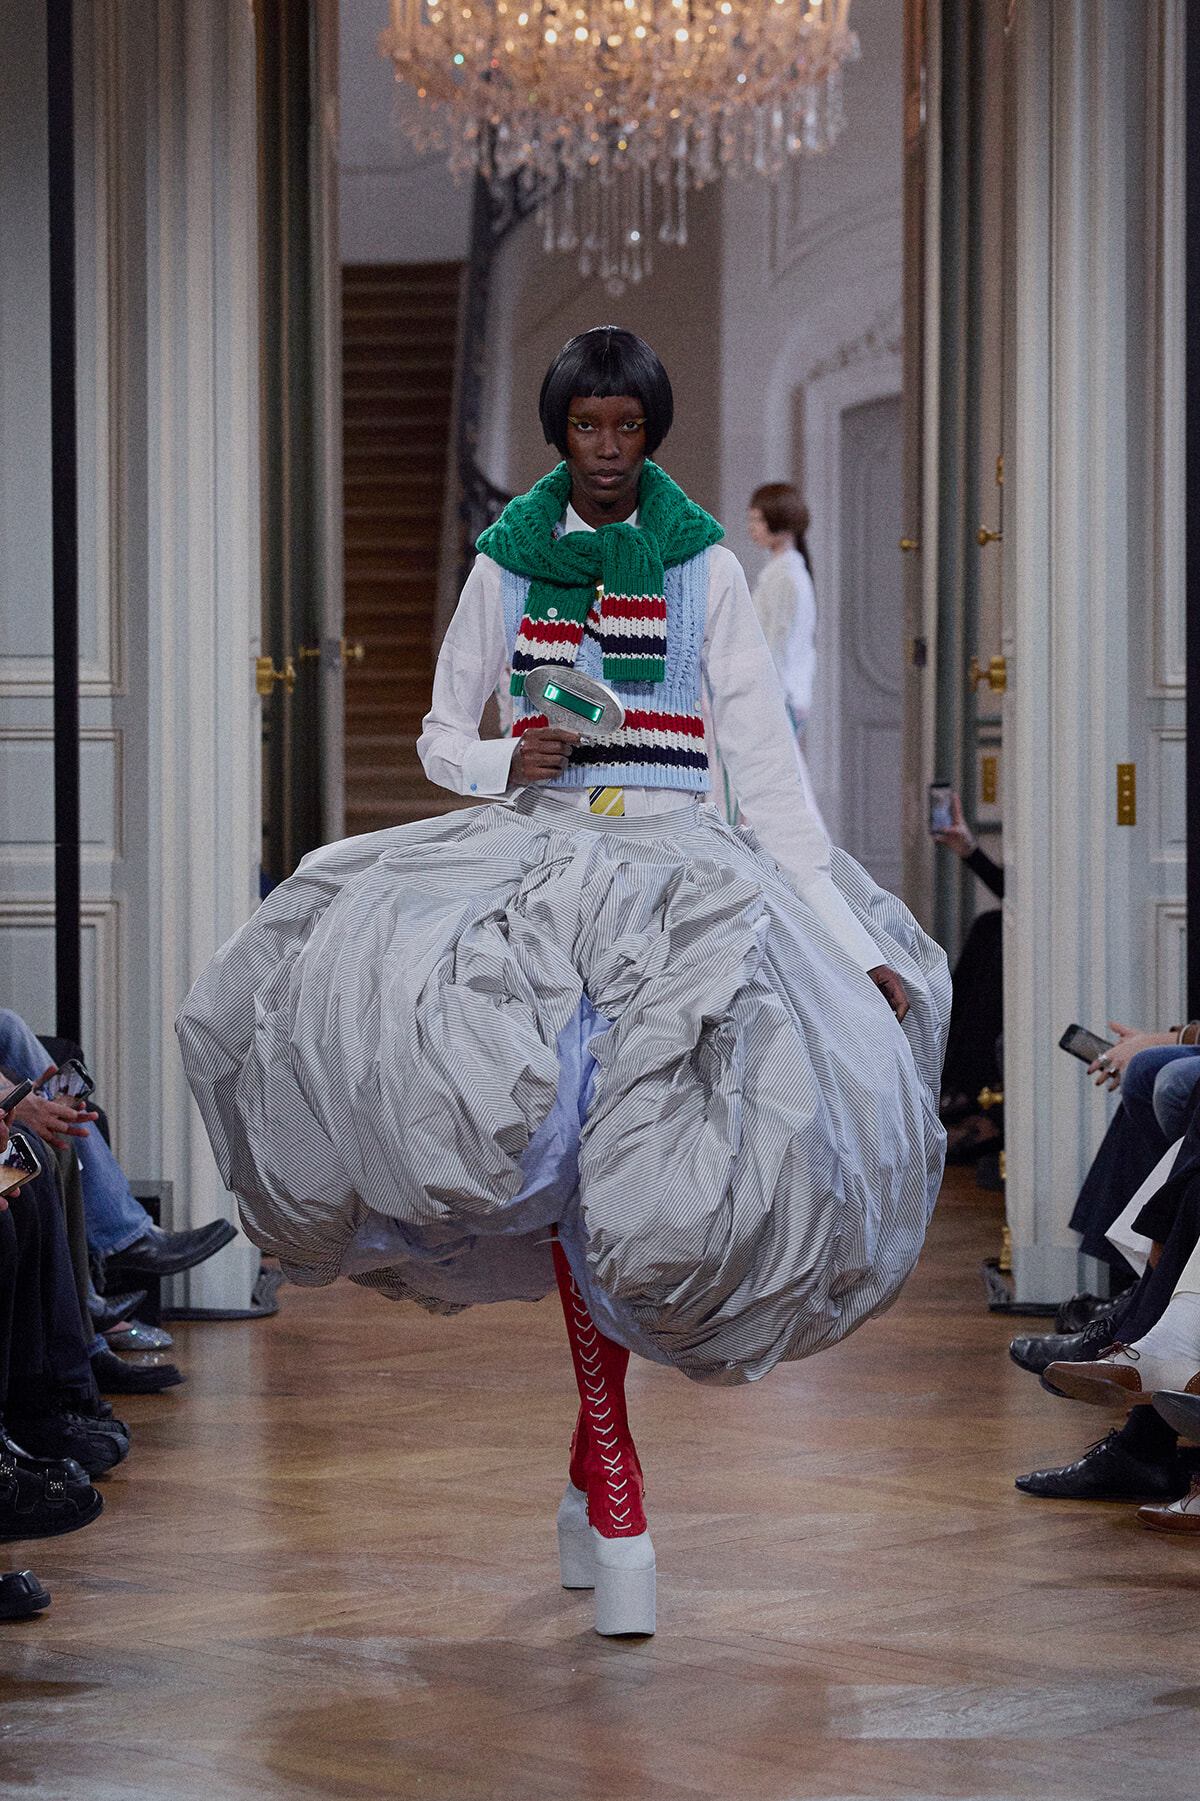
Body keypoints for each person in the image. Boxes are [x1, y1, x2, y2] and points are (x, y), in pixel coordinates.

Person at [178, 328, 950, 1637]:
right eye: (586, 426)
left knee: (650, 1177)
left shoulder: (706, 565)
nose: (605, 449)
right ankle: (615, 1471)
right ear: (558, 432)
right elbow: (440, 734)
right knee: (545, 1138)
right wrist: (505, 761)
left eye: (625, 428)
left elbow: (768, 781)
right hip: (535, 868)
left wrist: (846, 937)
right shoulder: (504, 559)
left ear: (651, 433)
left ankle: (601, 1466)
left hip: (681, 875)